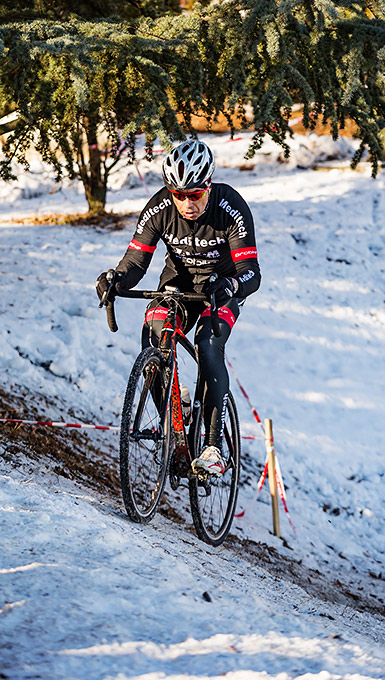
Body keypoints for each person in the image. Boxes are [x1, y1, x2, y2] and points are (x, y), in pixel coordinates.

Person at [96, 139, 261, 477]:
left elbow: (252, 273)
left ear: (209, 185)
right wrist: (115, 279)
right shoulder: (159, 208)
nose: (187, 203)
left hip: (221, 289)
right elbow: (136, 261)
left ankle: (213, 447)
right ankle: (175, 427)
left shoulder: (230, 207)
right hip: (180, 286)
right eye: (179, 195)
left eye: (195, 194)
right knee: (153, 333)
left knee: (207, 345)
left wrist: (231, 285)